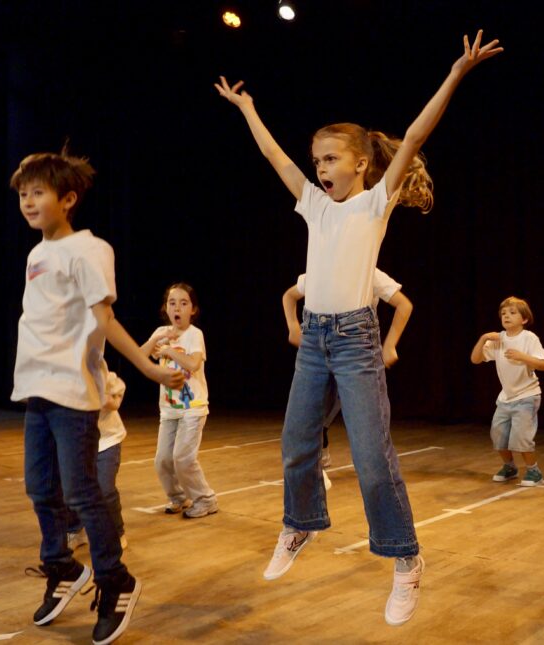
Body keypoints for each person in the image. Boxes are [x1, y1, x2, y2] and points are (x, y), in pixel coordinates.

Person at [215, 30, 502, 625]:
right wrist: (248, 109)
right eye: (316, 159)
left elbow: (418, 133)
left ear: (362, 164)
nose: (319, 168)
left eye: (330, 158)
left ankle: (405, 559)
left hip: (354, 341)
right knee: (296, 443)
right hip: (315, 340)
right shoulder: (314, 205)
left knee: (372, 459)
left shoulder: (374, 204)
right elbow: (275, 157)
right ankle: (300, 525)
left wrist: (455, 73)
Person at [11, 149, 184, 644]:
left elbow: (104, 320)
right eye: (23, 193)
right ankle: (61, 569)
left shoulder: (90, 250)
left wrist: (149, 368)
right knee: (41, 490)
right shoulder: (36, 254)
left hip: (73, 391)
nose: (28, 201)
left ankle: (115, 580)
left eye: (38, 192)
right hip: (37, 391)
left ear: (68, 198)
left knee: (83, 493)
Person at [282, 267, 415, 490]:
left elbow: (404, 305)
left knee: (365, 427)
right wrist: (293, 327)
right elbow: (289, 295)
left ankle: (327, 462)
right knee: (308, 417)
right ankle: (316, 467)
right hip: (319, 353)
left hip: (355, 355)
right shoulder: (321, 267)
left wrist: (389, 345)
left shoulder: (369, 271)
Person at [141, 283, 218, 518]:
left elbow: (193, 364)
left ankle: (206, 499)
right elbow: (140, 356)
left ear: (192, 309)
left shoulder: (195, 335)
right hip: (169, 408)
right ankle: (178, 497)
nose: (177, 307)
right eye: (172, 302)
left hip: (193, 408)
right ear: (166, 308)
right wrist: (157, 338)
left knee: (183, 458)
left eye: (184, 303)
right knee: (163, 460)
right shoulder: (161, 332)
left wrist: (169, 351)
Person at [470, 296, 544, 486]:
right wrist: (483, 339)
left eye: (512, 313)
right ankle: (509, 467)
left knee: (521, 437)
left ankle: (533, 471)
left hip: (527, 395)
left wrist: (523, 357)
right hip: (506, 398)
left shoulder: (529, 338)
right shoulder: (498, 338)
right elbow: (475, 359)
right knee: (498, 435)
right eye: (504, 313)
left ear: (524, 319)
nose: (506, 316)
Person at [66, 363, 128, 551]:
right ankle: (76, 531)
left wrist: (91, 395)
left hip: (107, 440)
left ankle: (117, 532)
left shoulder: (102, 372)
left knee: (105, 489)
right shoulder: (61, 376)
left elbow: (114, 402)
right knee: (70, 488)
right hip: (78, 442)